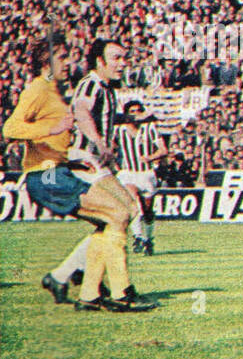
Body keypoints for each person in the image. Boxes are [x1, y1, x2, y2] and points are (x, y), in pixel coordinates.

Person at [3, 34, 156, 312]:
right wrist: (69, 134)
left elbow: (85, 114)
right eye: (62, 57)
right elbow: (12, 129)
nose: (69, 62)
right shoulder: (49, 88)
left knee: (117, 217)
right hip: (63, 168)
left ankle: (81, 288)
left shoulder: (70, 89)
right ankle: (118, 292)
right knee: (120, 214)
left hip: (76, 165)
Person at [112, 100, 168, 255]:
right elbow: (110, 148)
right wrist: (112, 162)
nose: (135, 114)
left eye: (138, 110)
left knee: (147, 211)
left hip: (146, 174)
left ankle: (148, 239)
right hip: (128, 173)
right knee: (132, 201)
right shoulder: (119, 130)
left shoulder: (149, 128)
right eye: (132, 111)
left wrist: (151, 157)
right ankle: (137, 236)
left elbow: (163, 150)